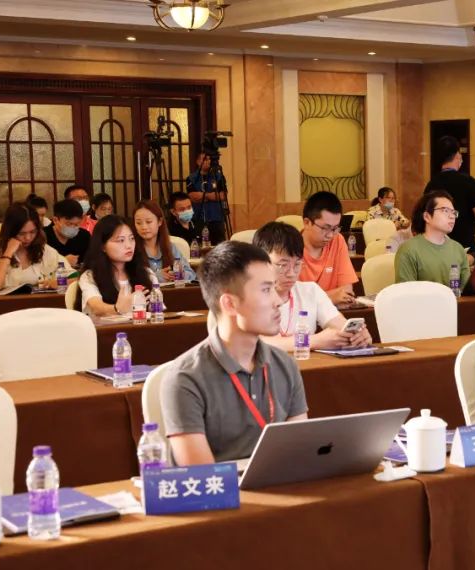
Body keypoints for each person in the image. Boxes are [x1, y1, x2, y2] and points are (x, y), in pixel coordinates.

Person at [160, 241, 309, 466]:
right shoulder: (184, 378)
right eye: (266, 290)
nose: (278, 301)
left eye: (274, 288)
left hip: (278, 482)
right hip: (221, 488)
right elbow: (203, 476)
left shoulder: (285, 365)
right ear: (229, 304)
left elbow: (299, 455)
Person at [252, 222, 373, 352]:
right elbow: (258, 344)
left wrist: (358, 336)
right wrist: (313, 341)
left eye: (297, 264)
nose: (291, 273)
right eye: (282, 265)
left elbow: (340, 326)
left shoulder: (310, 290)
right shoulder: (248, 295)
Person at [78, 215, 157, 317]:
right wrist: (117, 308)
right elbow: (96, 308)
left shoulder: (147, 273)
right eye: (121, 240)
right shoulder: (90, 276)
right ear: (103, 246)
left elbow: (157, 310)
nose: (129, 245)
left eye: (132, 238)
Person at [423, 136, 475, 261]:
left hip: (437, 244)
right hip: (465, 245)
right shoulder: (468, 181)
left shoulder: (431, 184)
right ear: (457, 155)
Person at [395, 190, 472, 286]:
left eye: (453, 212)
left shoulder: (458, 249)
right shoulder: (408, 250)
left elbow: (467, 290)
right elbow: (406, 291)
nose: (452, 216)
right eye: (445, 211)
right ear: (427, 216)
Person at [298, 191, 359, 306]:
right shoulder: (290, 247)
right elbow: (292, 301)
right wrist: (331, 297)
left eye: (335, 228)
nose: (330, 235)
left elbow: (347, 293)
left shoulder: (337, 240)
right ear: (307, 223)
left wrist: (313, 299)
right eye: (325, 228)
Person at [0, 203, 61, 294]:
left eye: (32, 232)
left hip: (38, 301)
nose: (28, 238)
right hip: (3, 302)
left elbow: (73, 278)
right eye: (21, 233)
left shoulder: (44, 250)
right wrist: (8, 253)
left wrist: (57, 283)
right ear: (10, 231)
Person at [133, 200, 195, 284]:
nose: (144, 227)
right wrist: (155, 277)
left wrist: (180, 274)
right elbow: (129, 280)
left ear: (160, 221)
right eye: (138, 223)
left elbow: (192, 274)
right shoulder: (131, 249)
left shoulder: (171, 247)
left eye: (148, 222)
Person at [186, 151, 228, 245]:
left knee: (219, 246)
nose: (208, 161)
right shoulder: (191, 178)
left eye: (209, 159)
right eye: (205, 159)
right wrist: (212, 195)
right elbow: (192, 197)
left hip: (216, 218)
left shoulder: (218, 176)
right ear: (198, 161)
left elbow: (223, 196)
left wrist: (204, 195)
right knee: (200, 246)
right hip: (199, 218)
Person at [43, 198, 91, 267]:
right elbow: (38, 266)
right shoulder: (42, 237)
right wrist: (63, 262)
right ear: (55, 220)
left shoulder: (84, 236)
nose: (73, 227)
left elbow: (92, 261)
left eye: (77, 224)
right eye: (69, 224)